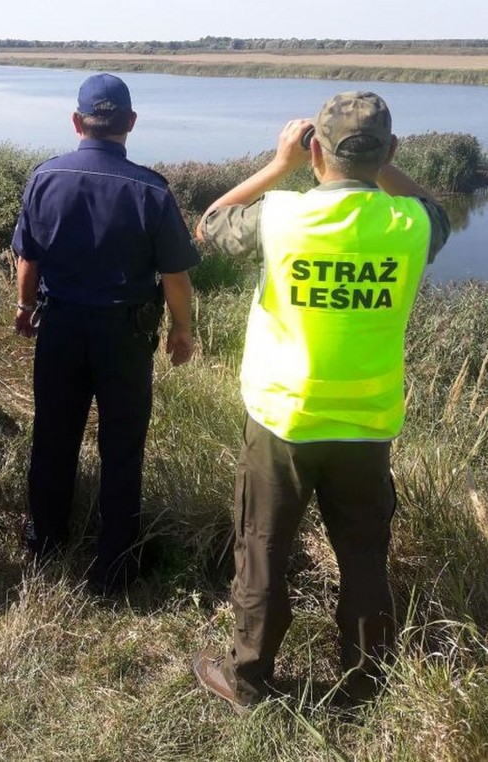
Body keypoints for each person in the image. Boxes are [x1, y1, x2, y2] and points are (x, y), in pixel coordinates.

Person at [191, 91, 451, 709]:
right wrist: (385, 164)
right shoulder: (411, 226)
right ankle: (365, 680)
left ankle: (249, 679)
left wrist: (278, 165)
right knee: (364, 554)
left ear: (314, 150)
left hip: (284, 419)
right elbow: (432, 204)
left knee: (263, 549)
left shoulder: (282, 217)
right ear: (389, 152)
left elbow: (208, 223)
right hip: (368, 423)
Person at [12, 73, 200, 594]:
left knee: (53, 435)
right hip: (125, 336)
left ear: (76, 123)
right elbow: (176, 278)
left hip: (62, 328)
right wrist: (181, 331)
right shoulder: (152, 189)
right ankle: (115, 562)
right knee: (122, 445)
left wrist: (26, 307)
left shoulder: (44, 178)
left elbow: (29, 256)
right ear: (131, 124)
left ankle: (45, 543)